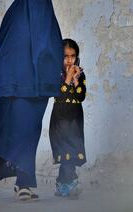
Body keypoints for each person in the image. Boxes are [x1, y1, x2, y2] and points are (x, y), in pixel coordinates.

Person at [0, 0, 63, 201]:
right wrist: (6, 79)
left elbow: (56, 53)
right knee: (22, 134)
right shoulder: (15, 18)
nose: (40, 0)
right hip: (18, 89)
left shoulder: (50, 22)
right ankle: (24, 184)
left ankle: (22, 183)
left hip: (40, 90)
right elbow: (3, 51)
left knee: (31, 134)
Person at [49, 38, 87, 198]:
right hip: (60, 118)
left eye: (73, 56)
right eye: (65, 56)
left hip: (75, 118)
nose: (69, 60)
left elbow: (81, 96)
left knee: (72, 150)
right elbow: (61, 93)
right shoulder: (55, 74)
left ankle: (64, 184)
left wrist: (76, 80)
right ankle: (67, 183)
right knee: (66, 152)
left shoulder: (80, 73)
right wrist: (68, 78)